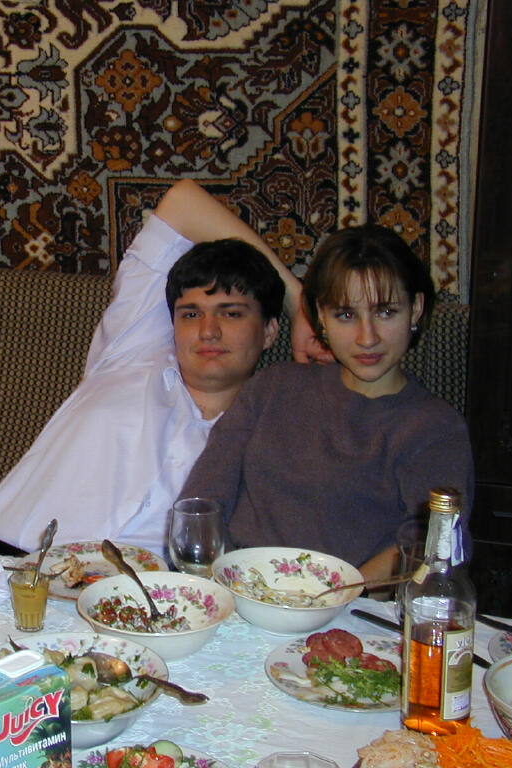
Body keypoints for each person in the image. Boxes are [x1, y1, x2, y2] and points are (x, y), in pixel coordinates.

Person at [0, 178, 325, 554]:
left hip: (138, 588)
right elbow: (182, 202)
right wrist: (300, 302)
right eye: (191, 314)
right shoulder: (131, 349)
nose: (208, 331)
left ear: (270, 332)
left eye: (231, 313)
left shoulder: (274, 434)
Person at [180, 224, 474, 580]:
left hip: (351, 602)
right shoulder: (271, 387)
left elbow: (428, 546)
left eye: (385, 312)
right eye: (346, 315)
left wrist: (339, 594)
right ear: (321, 316)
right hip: (236, 589)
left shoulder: (434, 427)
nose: (367, 338)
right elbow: (205, 500)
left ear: (415, 309)